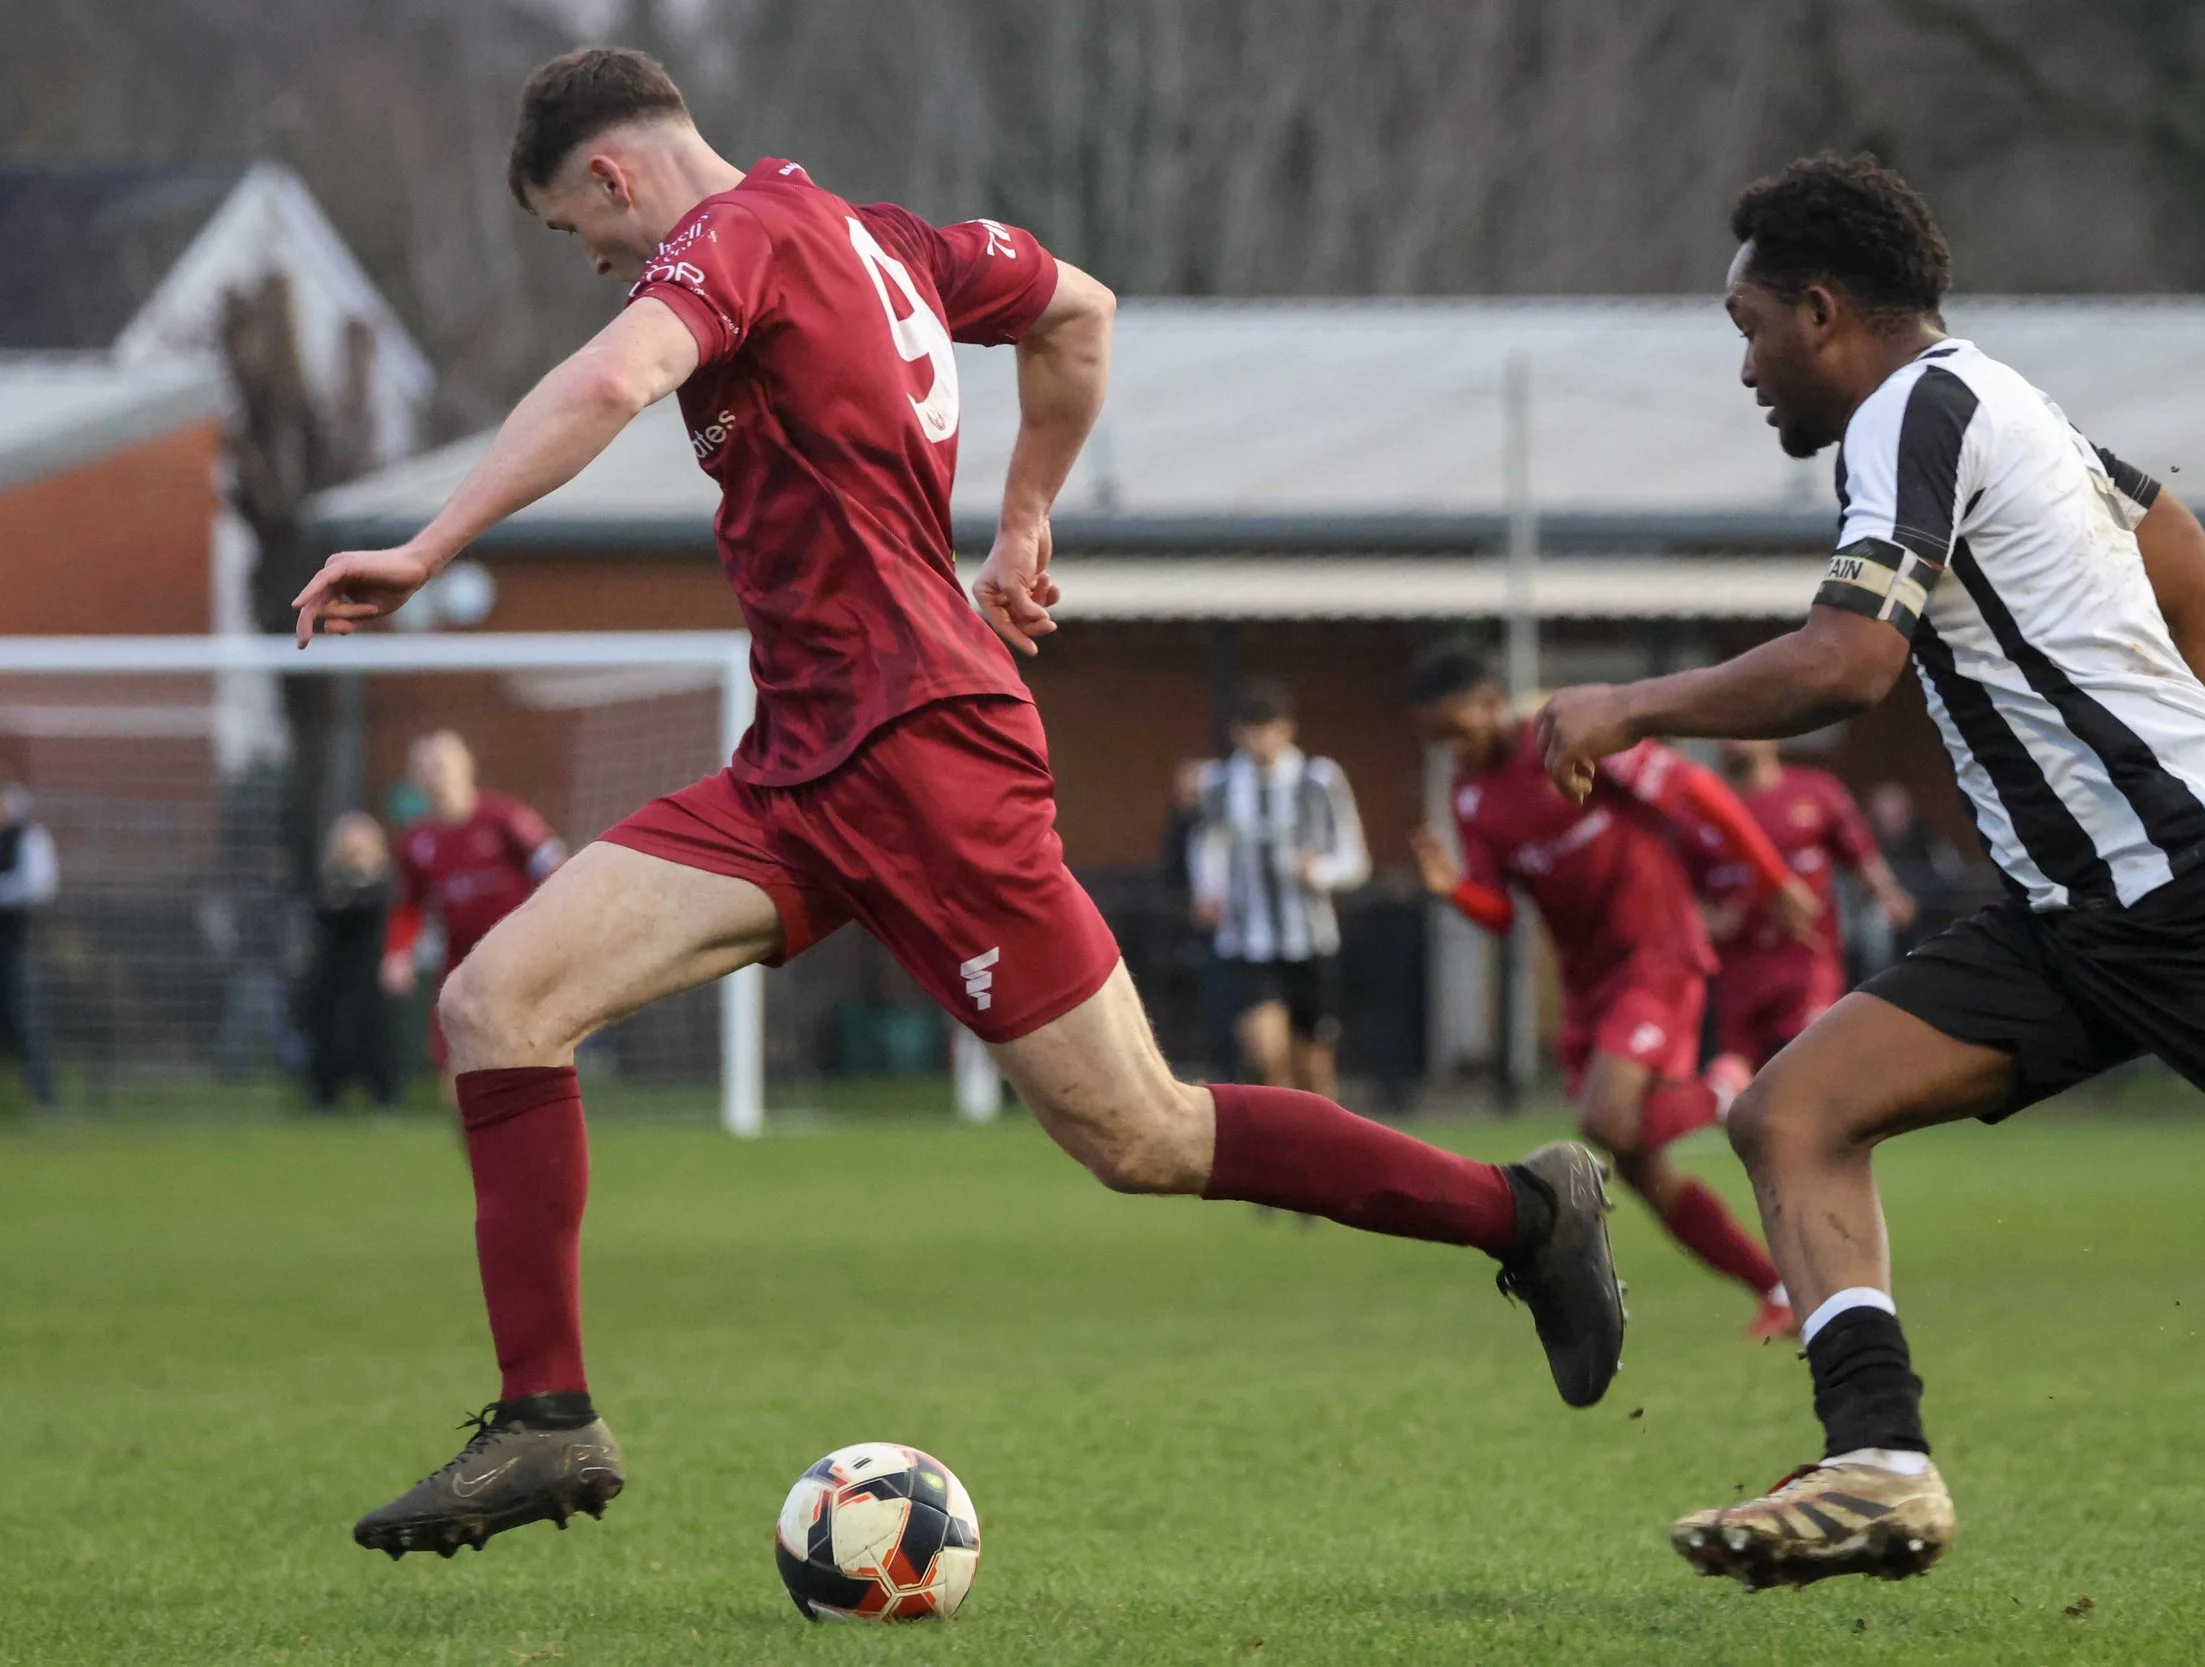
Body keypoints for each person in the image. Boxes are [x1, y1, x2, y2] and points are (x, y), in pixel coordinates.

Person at [294, 47, 1623, 1561]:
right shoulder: (891, 239)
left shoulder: (725, 241)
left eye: (568, 231)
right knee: (497, 1002)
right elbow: (1079, 309)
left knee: (1140, 1130)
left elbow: (614, 376)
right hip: (801, 763)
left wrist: (428, 544)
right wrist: (1028, 510)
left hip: (923, 751)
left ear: (610, 175)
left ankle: (1523, 1210)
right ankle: (546, 1416)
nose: (593, 263)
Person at [1538, 154, 2205, 1591]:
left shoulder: (1907, 412)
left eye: (1750, 328)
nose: (1745, 368)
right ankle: (1880, 1462)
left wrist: (1631, 703)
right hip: (2085, 908)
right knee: (1792, 1110)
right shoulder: (2012, 398)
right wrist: (2142, 795)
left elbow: (1851, 661)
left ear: (1826, 308)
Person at [1408, 646, 1815, 1339]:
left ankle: (1726, 1089)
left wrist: (1775, 880)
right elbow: (1503, 911)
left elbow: (1697, 791)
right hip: (1588, 981)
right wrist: (1456, 893)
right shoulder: (1469, 794)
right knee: (1635, 1157)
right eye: (1436, 739)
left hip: (1656, 955)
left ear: (1487, 700)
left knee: (1603, 1121)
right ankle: (1777, 1286)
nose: (1453, 747)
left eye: (1458, 728)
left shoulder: (1568, 735)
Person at [1189, 681, 1370, 1102]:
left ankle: (1326, 1148)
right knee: (1265, 1051)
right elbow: (1207, 846)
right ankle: (1283, 1145)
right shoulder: (1219, 784)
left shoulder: (1319, 780)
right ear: (1238, 733)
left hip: (1310, 940)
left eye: (1268, 728)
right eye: (1251, 729)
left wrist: (1318, 871)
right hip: (1247, 942)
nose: (1260, 740)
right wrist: (1208, 891)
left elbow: (1356, 860)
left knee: (1314, 1067)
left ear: (1288, 730)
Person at [1693, 740, 1917, 1071]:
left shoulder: (1816, 791)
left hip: (1806, 958)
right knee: (1738, 1083)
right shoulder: (1702, 806)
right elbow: (1682, 887)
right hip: (1738, 969)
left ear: (1771, 737)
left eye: (1744, 731)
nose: (1734, 742)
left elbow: (1861, 853)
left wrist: (1890, 894)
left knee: (1812, 1065)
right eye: (1727, 733)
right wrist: (1706, 921)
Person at [386, 730, 567, 1093]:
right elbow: (409, 906)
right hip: (460, 966)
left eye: (442, 763)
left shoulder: (504, 818)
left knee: (524, 1066)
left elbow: (556, 868)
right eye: (426, 767)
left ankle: (527, 1143)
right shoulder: (417, 842)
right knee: (455, 1074)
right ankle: (480, 1147)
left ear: (465, 765)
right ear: (416, 778)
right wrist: (397, 954)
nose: (435, 774)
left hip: (517, 959)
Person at [303, 812, 402, 1114]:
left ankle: (383, 1094)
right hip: (333, 969)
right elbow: (326, 910)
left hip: (372, 967)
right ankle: (325, 1094)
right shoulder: (329, 878)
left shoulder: (386, 879)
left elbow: (374, 909)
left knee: (374, 1031)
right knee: (331, 1030)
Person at [0, 781, 60, 1109]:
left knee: (25, 1019)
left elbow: (38, 887)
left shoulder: (30, 838)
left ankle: (43, 1096)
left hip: (13, 946)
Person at [1863, 780, 1968, 953]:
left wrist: (1915, 902)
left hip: (1928, 914)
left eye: (1897, 812)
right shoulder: (1868, 842)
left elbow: (1952, 879)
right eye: (1886, 813)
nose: (1893, 818)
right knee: (1875, 924)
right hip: (1881, 913)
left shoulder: (1928, 839)